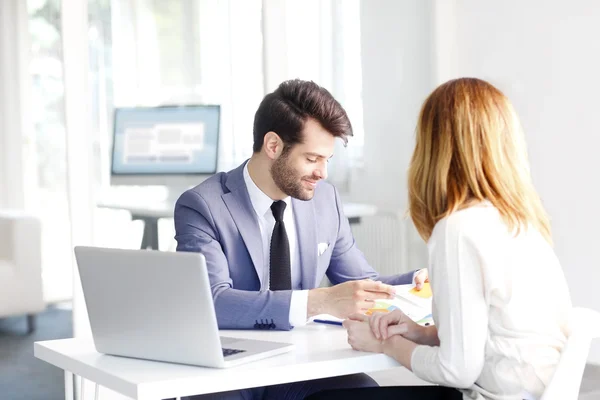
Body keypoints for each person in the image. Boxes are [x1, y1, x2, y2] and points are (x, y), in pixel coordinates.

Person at [308, 77, 572, 400]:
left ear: (436, 148)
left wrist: (383, 342)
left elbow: (457, 370)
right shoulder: (521, 220)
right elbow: (496, 337)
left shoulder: (459, 229)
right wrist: (420, 333)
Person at [173, 79, 428, 400]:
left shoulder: (326, 200)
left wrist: (414, 281)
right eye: (312, 159)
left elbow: (362, 282)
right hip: (228, 372)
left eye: (327, 160)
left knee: (365, 393)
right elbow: (210, 301)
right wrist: (318, 301)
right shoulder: (203, 205)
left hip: (301, 365)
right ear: (273, 145)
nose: (322, 172)